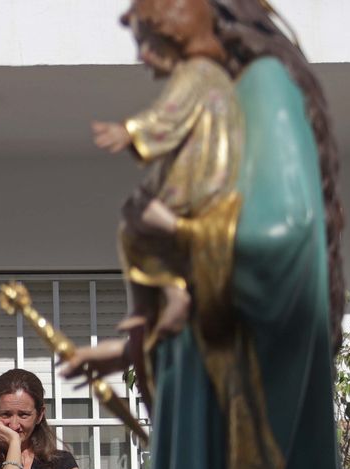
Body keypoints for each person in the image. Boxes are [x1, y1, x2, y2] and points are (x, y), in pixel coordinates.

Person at [63, 0, 347, 469]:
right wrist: (130, 345)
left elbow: (284, 242)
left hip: (241, 394)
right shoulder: (209, 93)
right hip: (200, 377)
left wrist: (179, 233)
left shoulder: (260, 91)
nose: (149, 28)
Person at [93, 0, 243, 346]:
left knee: (137, 219)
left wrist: (130, 131)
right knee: (137, 226)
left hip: (199, 183)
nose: (142, 57)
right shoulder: (204, 74)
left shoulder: (197, 73)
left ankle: (165, 297)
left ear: (173, 34)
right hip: (197, 178)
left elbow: (168, 115)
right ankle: (154, 302)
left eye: (147, 44)